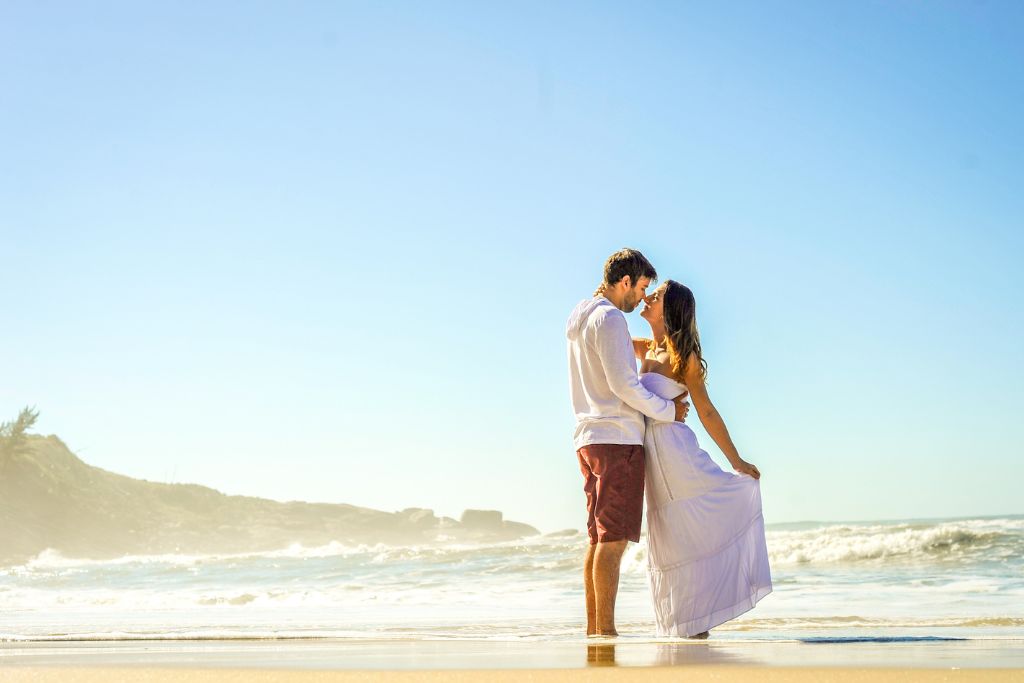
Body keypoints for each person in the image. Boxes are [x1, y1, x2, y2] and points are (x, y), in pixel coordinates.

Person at [635, 279, 772, 638]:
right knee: (668, 536)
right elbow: (603, 341)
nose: (649, 297)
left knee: (689, 531)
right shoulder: (643, 348)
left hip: (678, 456)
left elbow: (707, 412)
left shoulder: (684, 357)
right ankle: (688, 625)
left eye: (658, 295)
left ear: (671, 309)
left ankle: (698, 625)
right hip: (653, 464)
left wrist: (737, 461)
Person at [565, 248, 691, 637]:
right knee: (614, 541)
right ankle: (605, 632)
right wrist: (668, 411)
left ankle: (595, 630)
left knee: (599, 538)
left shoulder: (581, 315)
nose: (641, 297)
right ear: (624, 283)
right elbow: (624, 384)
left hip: (588, 438)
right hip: (616, 439)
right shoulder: (611, 318)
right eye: (640, 287)